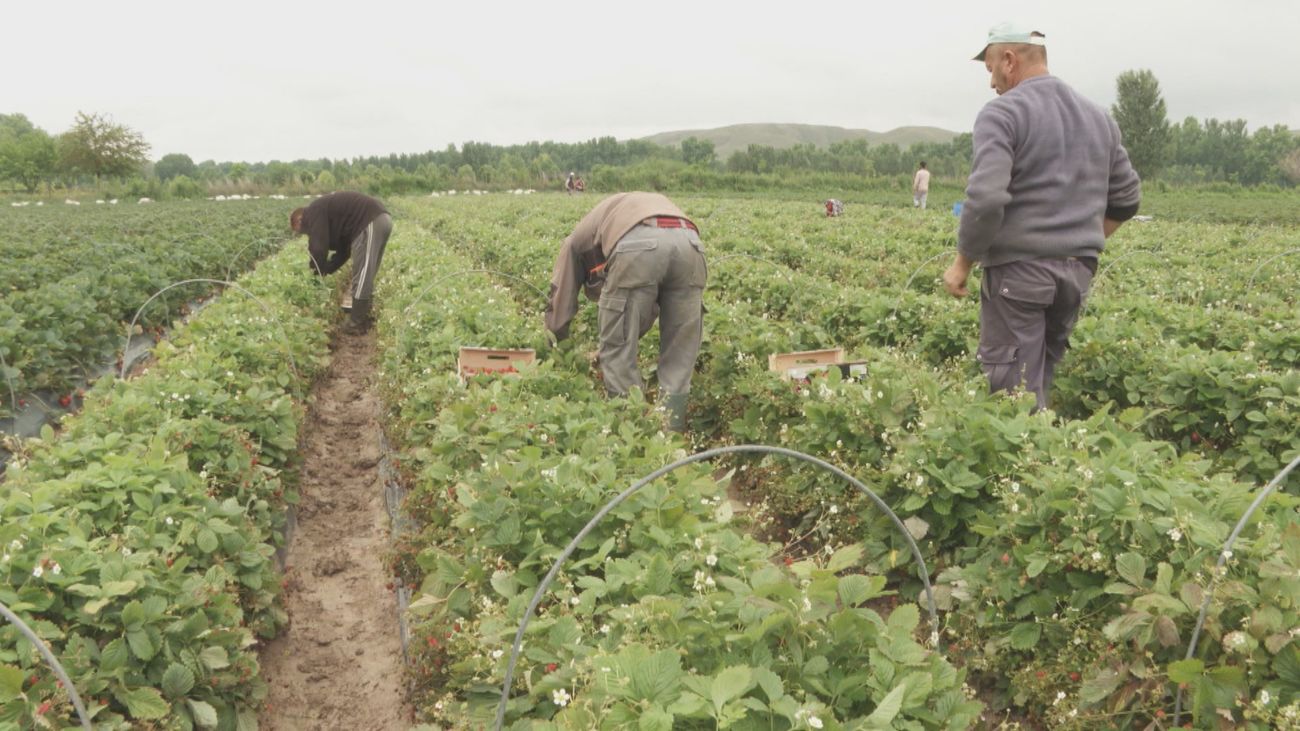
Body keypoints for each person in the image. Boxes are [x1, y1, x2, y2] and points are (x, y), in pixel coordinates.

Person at [942, 22, 1140, 410]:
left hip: (1019, 275)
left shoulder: (1003, 113)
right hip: (1076, 275)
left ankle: (1025, 464)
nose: (992, 83)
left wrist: (962, 262)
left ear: (1009, 61)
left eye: (991, 70)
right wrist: (1078, 240)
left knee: (1013, 397)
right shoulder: (1098, 117)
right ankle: (1050, 462)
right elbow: (1127, 199)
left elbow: (985, 198)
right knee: (1040, 377)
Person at [544, 192, 707, 431]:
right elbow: (643, 307)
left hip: (637, 243)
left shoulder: (574, 243)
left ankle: (630, 434)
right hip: (691, 244)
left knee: (618, 352)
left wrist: (556, 341)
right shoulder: (615, 211)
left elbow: (561, 297)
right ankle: (671, 437)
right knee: (680, 352)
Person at [290, 191, 393, 333]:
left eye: (303, 231)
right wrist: (326, 269)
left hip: (370, 221)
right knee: (367, 274)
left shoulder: (312, 212)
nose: (307, 233)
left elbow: (318, 247)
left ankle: (356, 323)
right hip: (379, 220)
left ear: (299, 220)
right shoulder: (329, 218)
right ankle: (363, 318)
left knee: (363, 275)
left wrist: (316, 273)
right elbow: (344, 252)